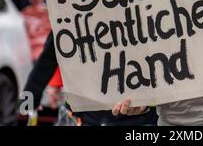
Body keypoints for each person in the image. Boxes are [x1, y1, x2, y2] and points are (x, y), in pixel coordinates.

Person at [21, 31, 159, 126]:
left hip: (137, 118)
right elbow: (49, 56)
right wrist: (27, 104)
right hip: (81, 117)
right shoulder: (70, 10)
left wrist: (148, 102)